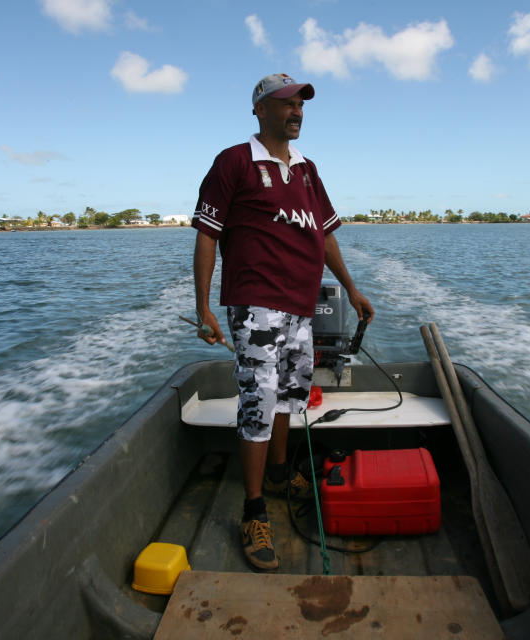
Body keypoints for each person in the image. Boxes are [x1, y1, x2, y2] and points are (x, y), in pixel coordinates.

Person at [191, 73, 373, 572]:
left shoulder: (309, 171)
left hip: (300, 305)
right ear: (259, 109)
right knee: (258, 400)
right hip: (255, 305)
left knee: (291, 393)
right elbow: (207, 235)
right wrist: (204, 305)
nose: (296, 111)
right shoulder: (234, 162)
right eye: (286, 103)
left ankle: (277, 473)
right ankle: (253, 511)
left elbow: (326, 236)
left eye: (300, 104)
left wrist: (352, 289)